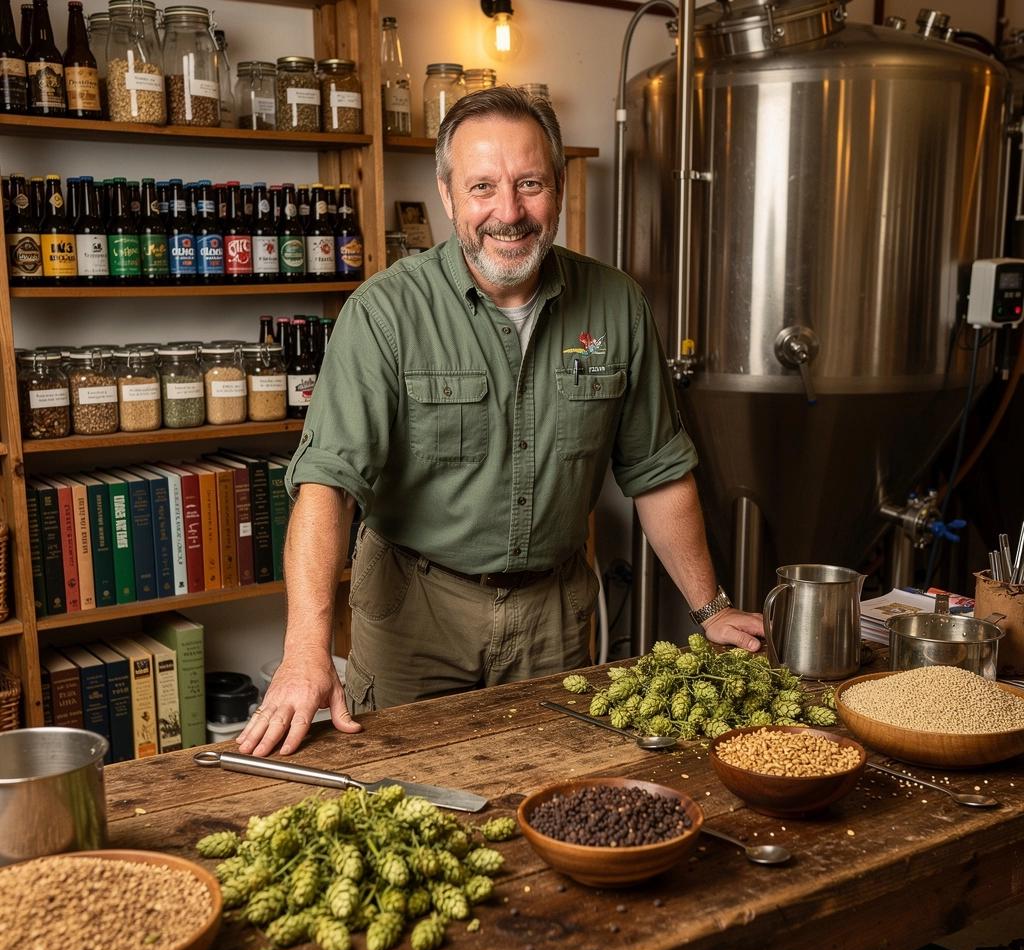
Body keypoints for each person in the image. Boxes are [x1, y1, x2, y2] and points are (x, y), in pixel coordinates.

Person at [237, 87, 764, 758]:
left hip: (554, 616)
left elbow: (657, 471)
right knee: (405, 785)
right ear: (447, 194)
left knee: (549, 786)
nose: (509, 213)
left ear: (559, 188)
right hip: (414, 612)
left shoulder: (618, 305)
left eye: (530, 184)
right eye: (482, 186)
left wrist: (711, 608)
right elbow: (327, 486)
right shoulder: (384, 313)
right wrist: (305, 652)